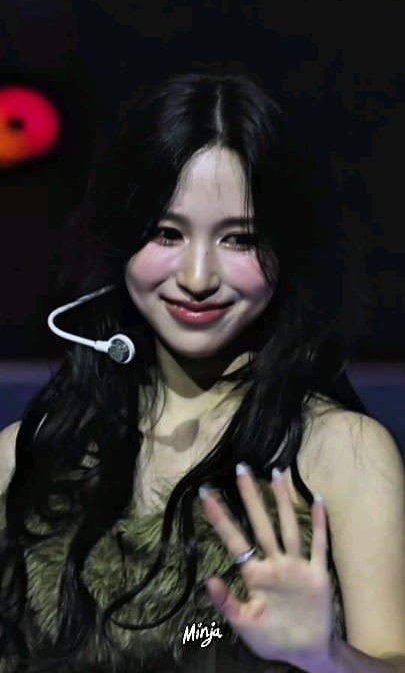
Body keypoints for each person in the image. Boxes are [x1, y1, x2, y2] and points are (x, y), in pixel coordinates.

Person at [0, 72, 404, 673]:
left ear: (285, 250)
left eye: (239, 240)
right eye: (166, 233)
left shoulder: (342, 452)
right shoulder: (25, 456)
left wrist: (323, 656)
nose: (196, 277)